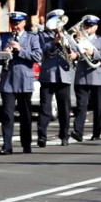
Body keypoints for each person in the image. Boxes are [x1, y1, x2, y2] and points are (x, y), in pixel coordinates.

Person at [0, 11, 41, 155]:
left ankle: (26, 144)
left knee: (25, 115)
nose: (14, 26)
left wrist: (20, 50)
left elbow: (38, 56)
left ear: (24, 23)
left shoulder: (32, 38)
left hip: (24, 81)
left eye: (17, 23)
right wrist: (3, 54)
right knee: (7, 115)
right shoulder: (3, 37)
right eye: (12, 23)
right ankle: (7, 146)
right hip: (8, 81)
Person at [37, 8, 79, 147]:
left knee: (64, 109)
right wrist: (54, 42)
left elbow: (76, 51)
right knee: (45, 109)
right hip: (48, 76)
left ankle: (64, 136)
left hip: (64, 76)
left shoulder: (66, 36)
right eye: (56, 22)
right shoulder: (42, 36)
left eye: (60, 22)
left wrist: (75, 55)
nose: (59, 25)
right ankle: (42, 137)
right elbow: (40, 50)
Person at [71, 15, 101, 141]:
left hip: (97, 77)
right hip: (82, 76)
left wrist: (93, 52)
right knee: (81, 106)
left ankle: (97, 132)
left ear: (96, 27)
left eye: (91, 26)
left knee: (97, 107)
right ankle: (78, 131)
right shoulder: (78, 39)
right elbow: (74, 54)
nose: (88, 28)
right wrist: (75, 50)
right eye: (86, 25)